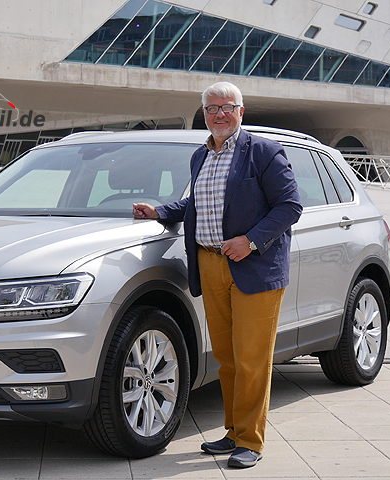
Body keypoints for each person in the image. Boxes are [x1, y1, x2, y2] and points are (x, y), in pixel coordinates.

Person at [133, 81, 302, 468]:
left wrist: (251, 241)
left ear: (241, 112)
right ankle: (232, 432)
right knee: (226, 357)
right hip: (209, 263)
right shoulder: (201, 155)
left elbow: (290, 206)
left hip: (253, 266)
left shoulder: (262, 151)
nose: (220, 114)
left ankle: (251, 441)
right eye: (212, 108)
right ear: (204, 114)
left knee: (252, 359)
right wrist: (160, 211)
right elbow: (197, 202)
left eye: (227, 107)